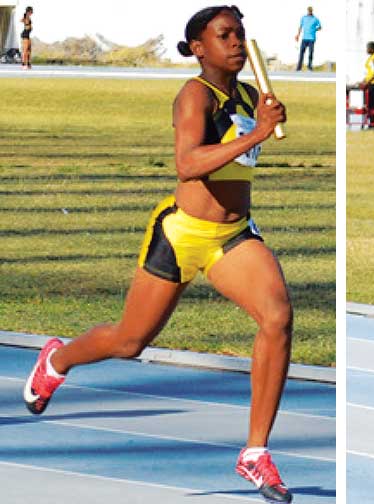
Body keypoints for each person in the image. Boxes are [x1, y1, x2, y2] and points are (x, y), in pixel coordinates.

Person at [22, 6, 294, 503]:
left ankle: (255, 452)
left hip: (232, 237)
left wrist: (263, 121)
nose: (237, 42)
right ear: (198, 48)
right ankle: (56, 360)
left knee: (277, 317)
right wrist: (256, 134)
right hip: (181, 233)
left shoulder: (253, 96)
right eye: (224, 35)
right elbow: (188, 164)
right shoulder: (193, 95)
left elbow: (236, 161)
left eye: (241, 34)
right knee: (129, 342)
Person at [356, 41, 374, 128]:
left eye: (368, 48)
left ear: (372, 48)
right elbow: (370, 72)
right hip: (369, 83)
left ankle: (373, 124)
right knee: (368, 105)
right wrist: (364, 81)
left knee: (373, 105)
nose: (366, 50)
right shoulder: (370, 58)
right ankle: (369, 123)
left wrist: (367, 82)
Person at [295, 6, 321, 71]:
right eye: (309, 10)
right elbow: (300, 27)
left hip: (312, 39)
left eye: (310, 10)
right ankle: (299, 68)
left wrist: (314, 29)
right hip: (304, 38)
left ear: (312, 11)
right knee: (301, 53)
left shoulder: (315, 19)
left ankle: (309, 67)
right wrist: (298, 35)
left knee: (310, 53)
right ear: (307, 11)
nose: (309, 11)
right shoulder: (303, 18)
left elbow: (320, 27)